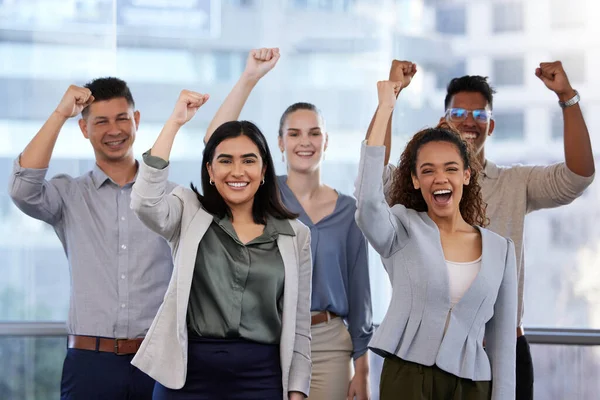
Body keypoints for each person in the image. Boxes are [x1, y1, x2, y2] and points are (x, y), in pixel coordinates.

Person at [371, 60, 595, 400]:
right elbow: (374, 180)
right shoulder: (422, 188)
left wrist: (567, 97)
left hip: (502, 346)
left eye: (480, 115)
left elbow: (578, 176)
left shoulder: (514, 183)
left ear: (491, 127)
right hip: (428, 351)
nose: (469, 121)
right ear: (443, 119)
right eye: (459, 112)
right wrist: (390, 98)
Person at [204, 47, 374, 400]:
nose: (305, 142)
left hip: (329, 343)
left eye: (314, 133)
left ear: (326, 141)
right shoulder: (261, 195)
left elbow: (360, 293)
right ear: (279, 143)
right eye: (294, 134)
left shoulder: (348, 211)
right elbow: (214, 142)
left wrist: (363, 368)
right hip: (267, 337)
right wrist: (250, 76)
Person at [129, 90, 312, 400]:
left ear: (264, 170)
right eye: (225, 161)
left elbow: (299, 325)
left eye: (248, 161)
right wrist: (175, 122)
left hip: (262, 378)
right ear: (210, 171)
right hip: (186, 377)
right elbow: (145, 203)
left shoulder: (296, 234)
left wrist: (297, 392)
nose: (237, 172)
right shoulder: (188, 211)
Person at [8, 78, 175, 399]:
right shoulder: (68, 195)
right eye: (101, 121)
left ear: (136, 121)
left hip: (156, 360)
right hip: (89, 363)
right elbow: (22, 189)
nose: (114, 130)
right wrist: (60, 113)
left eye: (122, 118)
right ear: (84, 129)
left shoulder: (169, 197)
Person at [356, 79, 517, 400]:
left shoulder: (501, 249)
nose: (440, 178)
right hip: (408, 375)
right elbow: (367, 203)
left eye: (451, 168)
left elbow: (502, 344)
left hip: (473, 382)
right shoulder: (401, 226)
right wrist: (386, 108)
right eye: (427, 170)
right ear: (415, 180)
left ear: (466, 175)